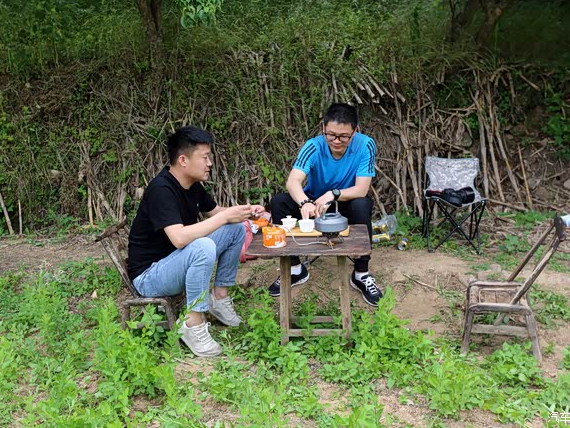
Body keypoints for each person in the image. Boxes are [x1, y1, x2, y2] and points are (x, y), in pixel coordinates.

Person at [128, 126, 265, 357]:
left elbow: (216, 212)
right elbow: (179, 238)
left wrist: (244, 212)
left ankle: (219, 299)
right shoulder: (161, 190)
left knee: (234, 228)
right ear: (183, 160)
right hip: (150, 277)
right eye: (205, 157)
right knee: (203, 246)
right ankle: (193, 323)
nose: (210, 163)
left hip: (174, 263)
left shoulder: (192, 185)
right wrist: (224, 217)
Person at [267, 103, 383, 306]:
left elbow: (361, 189)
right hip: (313, 204)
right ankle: (295, 269)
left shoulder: (366, 145)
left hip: (344, 203)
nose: (336, 141)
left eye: (343, 136)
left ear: (355, 131)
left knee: (362, 204)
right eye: (331, 135)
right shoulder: (313, 146)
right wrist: (304, 202)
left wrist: (333, 194)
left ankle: (361, 273)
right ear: (323, 128)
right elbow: (293, 181)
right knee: (279, 202)